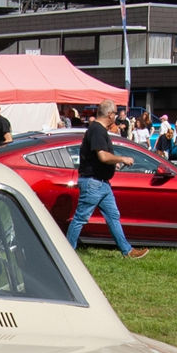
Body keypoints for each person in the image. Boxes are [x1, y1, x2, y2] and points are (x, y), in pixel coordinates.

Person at [66, 99, 148, 260]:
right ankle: (66, 253)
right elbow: (103, 156)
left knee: (113, 215)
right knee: (81, 218)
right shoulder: (97, 130)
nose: (116, 116)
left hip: (102, 183)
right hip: (93, 182)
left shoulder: (97, 130)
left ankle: (127, 250)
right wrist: (121, 159)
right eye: (115, 113)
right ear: (110, 115)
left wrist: (113, 164)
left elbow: (99, 157)